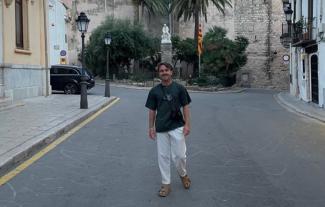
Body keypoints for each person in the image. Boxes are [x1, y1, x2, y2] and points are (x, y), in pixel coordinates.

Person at [145, 62, 192, 197]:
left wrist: (187, 124)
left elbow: (186, 107)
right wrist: (150, 127)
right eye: (161, 71)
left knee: (180, 155)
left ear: (171, 72)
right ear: (159, 74)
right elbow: (152, 110)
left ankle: (183, 174)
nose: (164, 72)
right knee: (163, 157)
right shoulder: (154, 91)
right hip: (161, 128)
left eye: (166, 70)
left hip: (177, 126)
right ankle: (166, 184)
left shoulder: (180, 89)